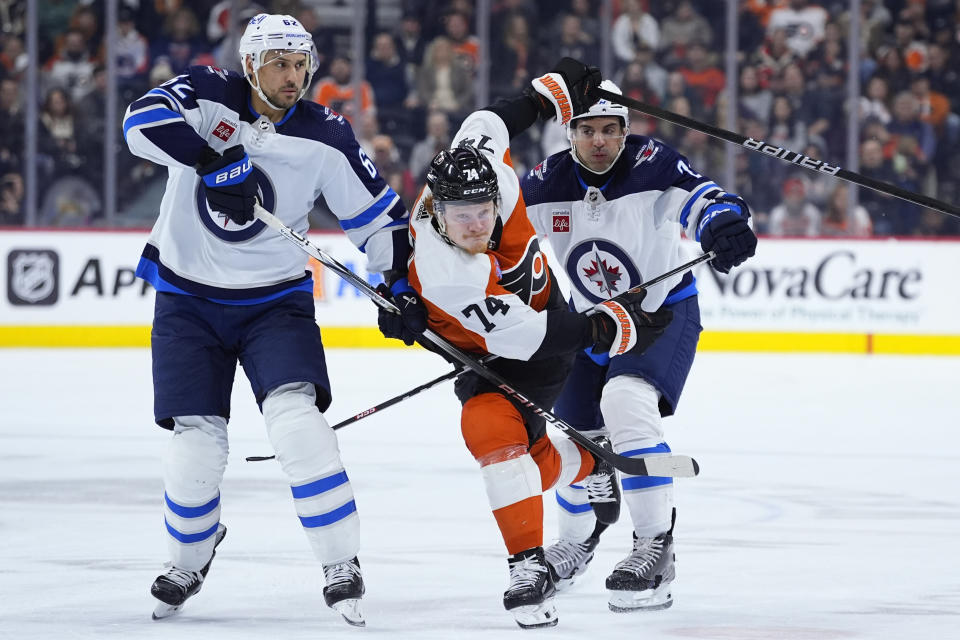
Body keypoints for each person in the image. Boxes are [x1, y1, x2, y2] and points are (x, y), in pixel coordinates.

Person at [122, 13, 411, 626]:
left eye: (301, 64)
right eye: (279, 63)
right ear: (250, 64)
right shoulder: (206, 93)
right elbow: (139, 124)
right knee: (196, 443)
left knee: (297, 424)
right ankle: (187, 559)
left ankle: (341, 563)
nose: (293, 76)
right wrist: (209, 160)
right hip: (186, 299)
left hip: (275, 303)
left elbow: (380, 221)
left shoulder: (326, 135)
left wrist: (400, 285)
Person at [376, 58, 673, 629]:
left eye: (485, 210)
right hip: (497, 349)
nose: (477, 225)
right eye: (462, 215)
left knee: (505, 457)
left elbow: (490, 117)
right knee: (498, 445)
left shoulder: (486, 166)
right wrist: (611, 324)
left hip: (542, 346)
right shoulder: (447, 271)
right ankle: (580, 478)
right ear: (436, 210)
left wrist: (549, 94)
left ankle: (528, 564)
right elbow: (531, 335)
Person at [519, 81, 757, 612]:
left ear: (626, 131)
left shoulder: (655, 163)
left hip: (660, 313)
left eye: (609, 129)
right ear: (569, 132)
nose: (599, 140)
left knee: (625, 402)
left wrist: (723, 222)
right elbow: (496, 236)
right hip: (594, 323)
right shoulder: (543, 181)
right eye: (587, 130)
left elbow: (707, 200)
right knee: (570, 436)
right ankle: (576, 543)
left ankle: (655, 547)